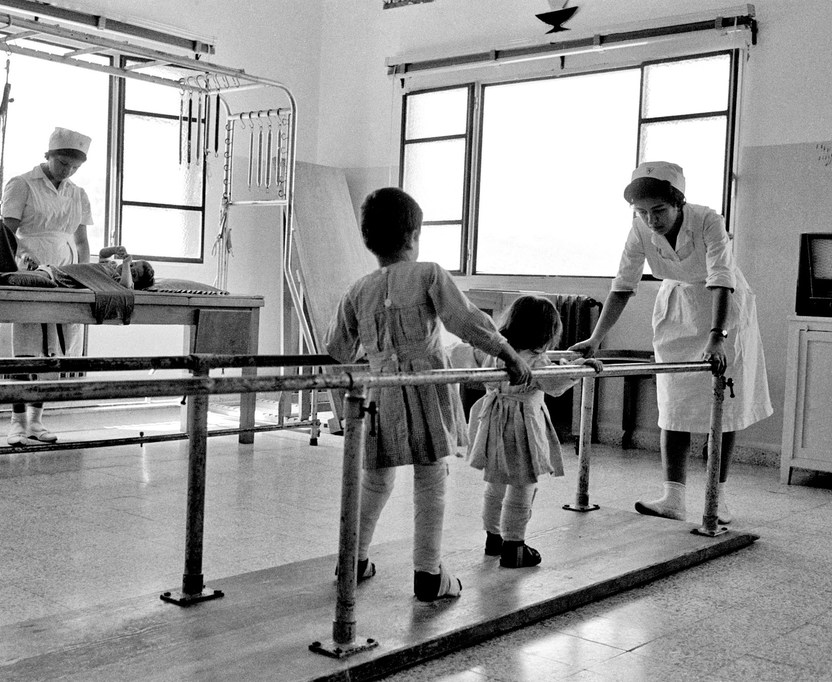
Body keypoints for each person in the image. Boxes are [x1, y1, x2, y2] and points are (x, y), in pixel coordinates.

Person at [324, 187, 534, 602]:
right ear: (414, 233)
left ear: (368, 239)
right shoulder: (429, 274)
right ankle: (428, 572)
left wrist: (378, 352)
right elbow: (465, 321)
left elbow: (337, 349)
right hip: (425, 388)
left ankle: (353, 559)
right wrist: (508, 353)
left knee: (376, 479)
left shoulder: (357, 289)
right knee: (431, 475)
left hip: (381, 392)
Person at [569, 161, 773, 523]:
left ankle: (717, 496)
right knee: (673, 403)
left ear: (679, 202)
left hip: (723, 310)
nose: (651, 220)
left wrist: (717, 337)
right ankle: (673, 497)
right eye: (642, 212)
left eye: (659, 210)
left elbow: (722, 277)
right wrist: (596, 338)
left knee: (721, 408)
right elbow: (623, 285)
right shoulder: (640, 230)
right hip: (676, 310)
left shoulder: (708, 220)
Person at [467, 295, 601, 568]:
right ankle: (514, 544)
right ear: (546, 333)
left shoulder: (497, 353)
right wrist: (582, 367)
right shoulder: (536, 361)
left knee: (495, 481)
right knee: (522, 483)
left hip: (493, 420)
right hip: (521, 426)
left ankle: (493, 537)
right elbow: (555, 384)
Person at [0, 126, 94, 446]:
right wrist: (19, 264)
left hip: (67, 278)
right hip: (29, 275)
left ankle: (37, 421)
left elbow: (81, 241)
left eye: (74, 167)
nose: (67, 171)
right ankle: (16, 422)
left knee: (54, 351)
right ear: (49, 156)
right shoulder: (22, 184)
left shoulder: (77, 193)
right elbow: (6, 234)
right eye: (62, 163)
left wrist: (87, 278)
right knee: (24, 351)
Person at [0, 246, 154, 291]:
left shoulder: (117, 283)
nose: (130, 267)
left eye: (134, 271)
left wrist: (127, 265)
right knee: (32, 278)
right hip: (57, 272)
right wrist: (114, 251)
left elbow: (127, 288)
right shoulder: (109, 266)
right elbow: (101, 254)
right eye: (134, 264)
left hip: (59, 281)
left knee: (28, 280)